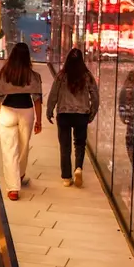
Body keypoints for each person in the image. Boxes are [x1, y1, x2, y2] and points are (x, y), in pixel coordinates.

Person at [0, 43, 42, 200]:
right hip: (26, 112)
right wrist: (39, 121)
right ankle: (20, 175)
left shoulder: (4, 74)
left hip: (7, 111)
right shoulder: (33, 76)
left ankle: (13, 189)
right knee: (23, 147)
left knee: (9, 150)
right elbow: (37, 99)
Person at [46, 48, 98, 188]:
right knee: (79, 144)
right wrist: (92, 113)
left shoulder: (61, 76)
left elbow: (53, 94)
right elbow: (95, 96)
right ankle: (78, 168)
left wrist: (49, 110)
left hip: (64, 114)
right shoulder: (87, 76)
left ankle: (66, 178)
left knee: (65, 146)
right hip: (82, 114)